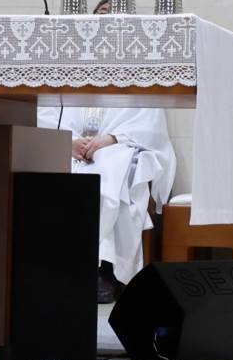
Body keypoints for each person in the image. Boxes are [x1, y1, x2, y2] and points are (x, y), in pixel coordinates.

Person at [60, 103, 176, 299]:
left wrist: (113, 138)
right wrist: (67, 142)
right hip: (68, 147)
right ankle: (62, 269)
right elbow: (45, 115)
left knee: (112, 169)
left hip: (117, 147)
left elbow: (149, 124)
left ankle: (105, 267)